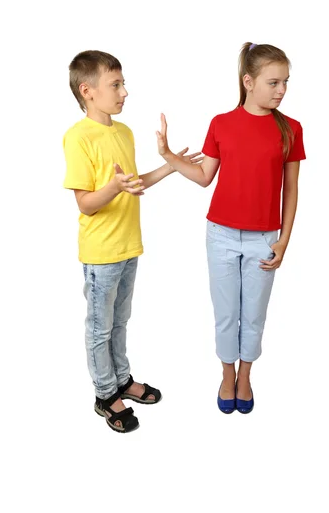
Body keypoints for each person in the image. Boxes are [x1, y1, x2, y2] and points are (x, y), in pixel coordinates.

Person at [156, 42, 306, 414]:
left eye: (286, 82)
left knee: (254, 313)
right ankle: (226, 373)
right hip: (220, 235)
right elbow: (205, 176)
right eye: (273, 82)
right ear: (248, 81)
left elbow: (291, 189)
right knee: (226, 313)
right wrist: (170, 158)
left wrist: (284, 241)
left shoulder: (291, 129)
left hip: (264, 239)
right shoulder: (221, 124)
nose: (281, 90)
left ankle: (245, 374)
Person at [63, 50, 202, 432]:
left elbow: (133, 184)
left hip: (129, 247)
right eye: (116, 85)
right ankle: (106, 394)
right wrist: (112, 187)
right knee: (99, 327)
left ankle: (122, 379)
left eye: (123, 84)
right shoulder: (77, 137)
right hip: (101, 253)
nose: (124, 92)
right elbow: (86, 204)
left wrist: (171, 164)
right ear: (87, 90)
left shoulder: (123, 132)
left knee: (120, 321)